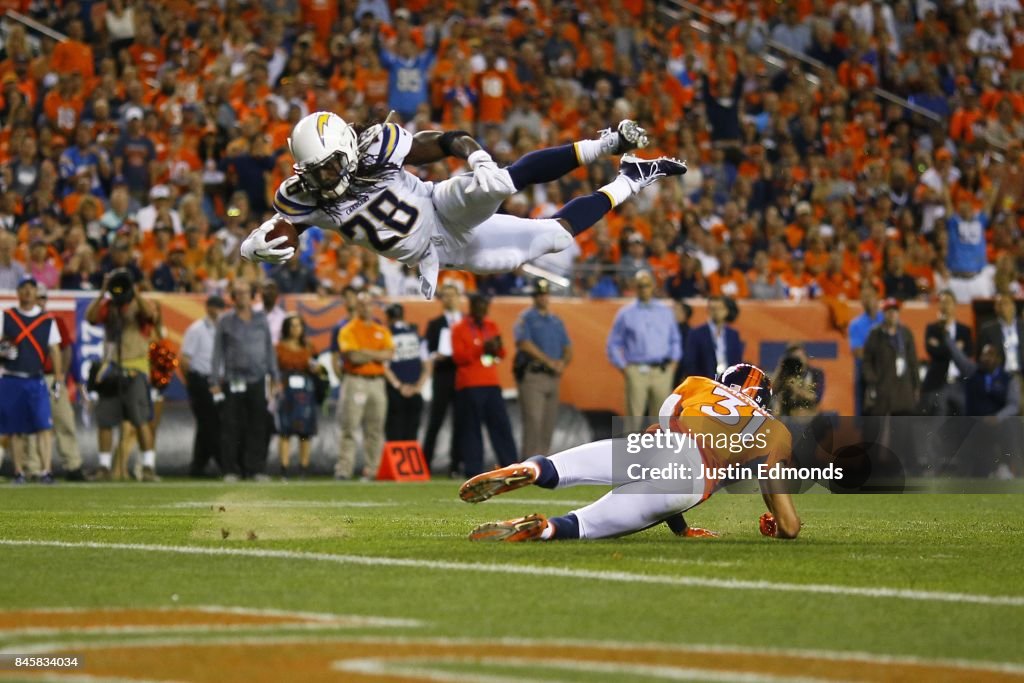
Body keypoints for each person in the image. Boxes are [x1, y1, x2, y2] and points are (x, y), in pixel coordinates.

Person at [241, 111, 686, 300]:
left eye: (330, 166)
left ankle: (606, 142)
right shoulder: (303, 196)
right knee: (553, 238)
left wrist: (475, 155)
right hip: (441, 253)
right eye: (315, 172)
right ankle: (632, 178)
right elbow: (285, 232)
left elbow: (446, 140)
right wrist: (258, 244)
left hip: (439, 207)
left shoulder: (377, 146)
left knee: (496, 184)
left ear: (347, 149)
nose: (325, 179)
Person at [459, 364, 800, 542]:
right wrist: (778, 524)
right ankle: (544, 529)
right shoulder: (775, 433)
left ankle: (531, 471)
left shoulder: (700, 385)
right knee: (582, 526)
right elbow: (790, 525)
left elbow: (665, 424)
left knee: (561, 466)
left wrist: (679, 527)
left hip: (659, 445)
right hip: (689, 483)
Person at [85, 269, 159, 481]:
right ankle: (104, 467)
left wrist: (134, 291)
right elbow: (90, 318)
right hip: (112, 369)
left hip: (135, 368)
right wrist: (102, 293)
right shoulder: (109, 307)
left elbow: (150, 315)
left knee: (140, 420)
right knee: (105, 420)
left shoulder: (139, 305)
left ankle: (148, 467)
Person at [211, 281, 279, 481]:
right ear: (232, 297)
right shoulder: (225, 320)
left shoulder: (261, 319)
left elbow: (269, 348)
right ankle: (231, 470)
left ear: (252, 296)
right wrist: (214, 380)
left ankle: (255, 469)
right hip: (233, 379)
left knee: (258, 425)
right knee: (231, 426)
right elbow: (217, 353)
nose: (241, 297)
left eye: (245, 293)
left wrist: (275, 375)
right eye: (238, 293)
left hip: (257, 379)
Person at [0, 276, 62, 484]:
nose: (27, 292)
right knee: (14, 428)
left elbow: (55, 350)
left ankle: (46, 470)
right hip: (11, 377)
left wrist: (58, 378)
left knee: (44, 426)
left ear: (36, 293)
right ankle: (19, 471)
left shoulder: (47, 321)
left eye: (31, 288)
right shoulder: (6, 316)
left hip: (36, 378)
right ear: (17, 293)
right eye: (23, 288)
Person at [22, 285, 84, 480]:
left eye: (42, 298)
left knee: (64, 420)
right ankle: (32, 468)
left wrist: (61, 375)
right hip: (30, 377)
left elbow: (67, 349)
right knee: (30, 425)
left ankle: (73, 465)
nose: (39, 301)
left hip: (51, 378)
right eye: (36, 297)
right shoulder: (20, 322)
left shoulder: (53, 321)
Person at [452, 292, 517, 477]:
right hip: (469, 384)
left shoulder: (491, 326)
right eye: (479, 305)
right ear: (472, 307)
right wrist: (482, 348)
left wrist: (495, 348)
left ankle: (511, 466)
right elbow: (459, 357)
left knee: (501, 425)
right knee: (472, 429)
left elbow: (502, 354)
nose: (482, 309)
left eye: (485, 305)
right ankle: (473, 470)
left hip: (491, 382)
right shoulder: (459, 328)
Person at [606, 270, 681, 421]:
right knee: (634, 416)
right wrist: (624, 367)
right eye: (640, 286)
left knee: (662, 417)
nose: (644, 289)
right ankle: (630, 445)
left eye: (647, 285)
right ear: (635, 287)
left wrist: (673, 363)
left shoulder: (665, 312)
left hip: (662, 370)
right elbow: (613, 343)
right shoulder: (626, 313)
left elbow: (675, 339)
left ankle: (659, 445)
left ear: (653, 286)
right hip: (636, 369)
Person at [336, 292, 394, 480]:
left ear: (373, 307)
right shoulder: (348, 329)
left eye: (368, 304)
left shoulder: (381, 329)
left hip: (377, 381)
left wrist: (365, 353)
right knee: (350, 426)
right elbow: (352, 356)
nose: (365, 308)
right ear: (357, 307)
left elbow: (389, 353)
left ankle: (372, 470)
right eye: (361, 304)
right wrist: (376, 353)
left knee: (375, 428)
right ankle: (344, 470)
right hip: (355, 380)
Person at [514, 280, 572, 458]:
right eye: (539, 294)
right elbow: (524, 344)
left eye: (545, 294)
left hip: (553, 376)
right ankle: (527, 465)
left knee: (548, 424)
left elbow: (568, 347)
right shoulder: (527, 318)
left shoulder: (556, 321)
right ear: (534, 297)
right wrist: (549, 362)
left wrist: (562, 363)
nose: (543, 297)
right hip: (534, 375)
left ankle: (542, 464)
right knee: (533, 422)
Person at [948, 341, 1022, 478]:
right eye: (983, 354)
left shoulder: (1009, 379)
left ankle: (1005, 466)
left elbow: (1013, 405)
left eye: (990, 355)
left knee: (1011, 424)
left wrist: (997, 417)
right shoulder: (972, 371)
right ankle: (973, 470)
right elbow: (958, 357)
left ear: (999, 359)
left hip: (999, 423)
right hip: (975, 423)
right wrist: (947, 337)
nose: (986, 358)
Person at [180, 294, 225, 477]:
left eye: (221, 306)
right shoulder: (196, 329)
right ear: (207, 308)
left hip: (217, 382)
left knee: (207, 425)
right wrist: (192, 383)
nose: (218, 310)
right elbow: (184, 360)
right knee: (211, 424)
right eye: (215, 306)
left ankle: (198, 466)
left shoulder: (222, 329)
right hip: (200, 380)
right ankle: (224, 464)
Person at [422, 283, 463, 474]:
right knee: (436, 421)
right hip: (443, 375)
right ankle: (424, 464)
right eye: (445, 295)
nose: (449, 299)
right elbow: (427, 350)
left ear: (458, 297)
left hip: (463, 376)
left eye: (452, 295)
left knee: (460, 423)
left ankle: (456, 465)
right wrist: (434, 356)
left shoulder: (465, 322)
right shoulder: (435, 323)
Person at [276, 314, 320, 479]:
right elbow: (275, 368)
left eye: (299, 325)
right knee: (285, 430)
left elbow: (317, 367)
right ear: (286, 328)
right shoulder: (279, 347)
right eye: (292, 325)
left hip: (305, 389)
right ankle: (284, 468)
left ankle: (303, 467)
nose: (296, 329)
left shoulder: (309, 346)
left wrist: (316, 369)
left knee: (305, 432)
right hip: (286, 389)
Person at [383, 302, 430, 443]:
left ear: (388, 318)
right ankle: (410, 465)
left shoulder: (386, 335)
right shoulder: (416, 336)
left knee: (394, 434)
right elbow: (427, 365)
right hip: (415, 391)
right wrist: (418, 387)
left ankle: (397, 465)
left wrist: (399, 386)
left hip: (395, 391)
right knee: (412, 434)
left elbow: (384, 366)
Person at [921, 289, 973, 417]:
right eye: (942, 302)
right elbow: (932, 351)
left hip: (960, 383)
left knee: (963, 423)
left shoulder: (964, 330)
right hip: (940, 384)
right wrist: (955, 348)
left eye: (948, 302)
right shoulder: (932, 328)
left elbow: (968, 354)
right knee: (938, 422)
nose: (945, 306)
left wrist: (941, 346)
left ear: (955, 305)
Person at [684, 295, 744, 380]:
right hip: (705, 383)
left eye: (719, 308)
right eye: (712, 309)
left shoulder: (733, 334)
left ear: (726, 311)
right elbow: (690, 362)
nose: (716, 312)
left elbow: (737, 361)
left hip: (727, 384)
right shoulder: (696, 333)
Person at [848, 286, 883, 416]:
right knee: (864, 412)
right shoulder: (855, 324)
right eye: (863, 297)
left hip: (885, 372)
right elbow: (857, 351)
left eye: (869, 296)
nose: (867, 300)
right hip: (864, 371)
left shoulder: (886, 320)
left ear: (877, 298)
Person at [772, 342, 825, 417]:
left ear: (806, 357)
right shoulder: (786, 373)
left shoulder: (815, 373)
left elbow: (816, 397)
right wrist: (780, 366)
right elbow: (772, 390)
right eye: (795, 357)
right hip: (787, 415)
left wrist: (797, 389)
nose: (798, 360)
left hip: (808, 415)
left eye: (800, 356)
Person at [977, 293, 1023, 380]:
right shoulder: (987, 330)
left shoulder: (1022, 326)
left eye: (1005, 303)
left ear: (1013, 306)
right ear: (995, 308)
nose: (1002, 307)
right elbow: (980, 357)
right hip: (999, 377)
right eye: (999, 304)